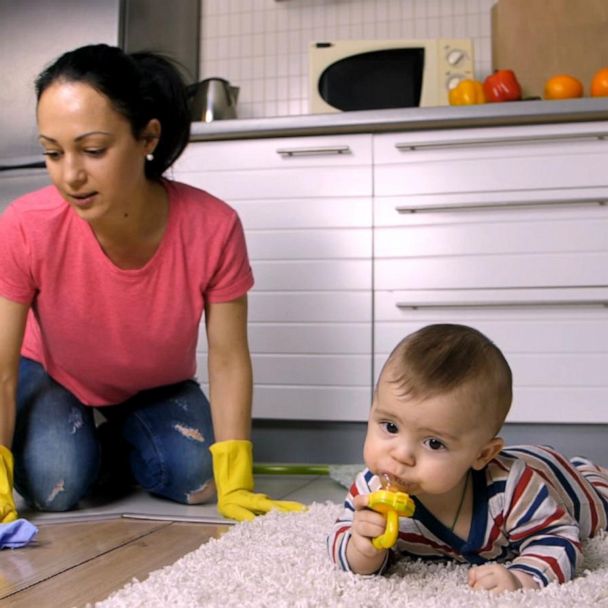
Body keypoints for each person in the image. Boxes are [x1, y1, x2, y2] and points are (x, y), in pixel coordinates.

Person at [0, 43, 303, 523]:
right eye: (52, 154)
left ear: (147, 138)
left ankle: (105, 441)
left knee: (199, 480)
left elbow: (227, 358)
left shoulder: (213, 226)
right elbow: (2, 368)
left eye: (93, 150)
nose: (71, 175)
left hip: (154, 387)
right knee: (55, 485)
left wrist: (238, 479)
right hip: (55, 375)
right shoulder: (24, 224)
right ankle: (79, 444)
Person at [328, 323, 608, 592]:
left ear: (482, 454)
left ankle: (591, 472)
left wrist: (522, 579)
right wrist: (362, 549)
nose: (400, 455)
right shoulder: (370, 489)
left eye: (434, 443)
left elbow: (558, 538)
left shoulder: (513, 491)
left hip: (557, 478)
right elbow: (342, 538)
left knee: (599, 507)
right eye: (390, 427)